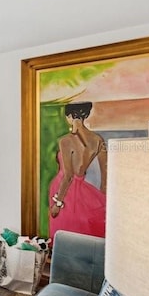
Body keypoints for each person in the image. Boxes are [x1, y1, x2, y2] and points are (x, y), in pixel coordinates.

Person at [49, 102, 107, 240]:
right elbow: (106, 171)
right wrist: (103, 196)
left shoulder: (66, 141)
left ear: (69, 116)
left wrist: (58, 203)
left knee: (64, 236)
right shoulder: (98, 139)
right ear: (85, 116)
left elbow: (68, 175)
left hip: (64, 193)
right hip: (84, 192)